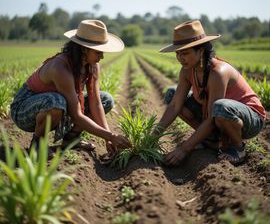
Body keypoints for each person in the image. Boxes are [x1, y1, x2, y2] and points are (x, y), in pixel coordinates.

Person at [10, 20, 131, 158]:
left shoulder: (92, 66)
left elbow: (96, 102)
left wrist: (108, 137)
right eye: (98, 52)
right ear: (84, 49)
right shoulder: (60, 67)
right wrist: (111, 135)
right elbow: (76, 115)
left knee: (106, 100)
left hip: (55, 105)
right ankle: (38, 144)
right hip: (24, 109)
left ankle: (71, 139)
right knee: (56, 101)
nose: (102, 56)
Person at [154, 20, 266, 166]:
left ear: (200, 51)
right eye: (178, 53)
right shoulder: (187, 71)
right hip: (217, 114)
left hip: (250, 119)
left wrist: (184, 149)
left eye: (185, 53)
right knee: (171, 94)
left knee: (219, 107)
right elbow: (175, 105)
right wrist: (153, 136)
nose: (180, 58)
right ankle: (212, 141)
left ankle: (237, 148)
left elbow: (213, 116)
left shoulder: (218, 72)